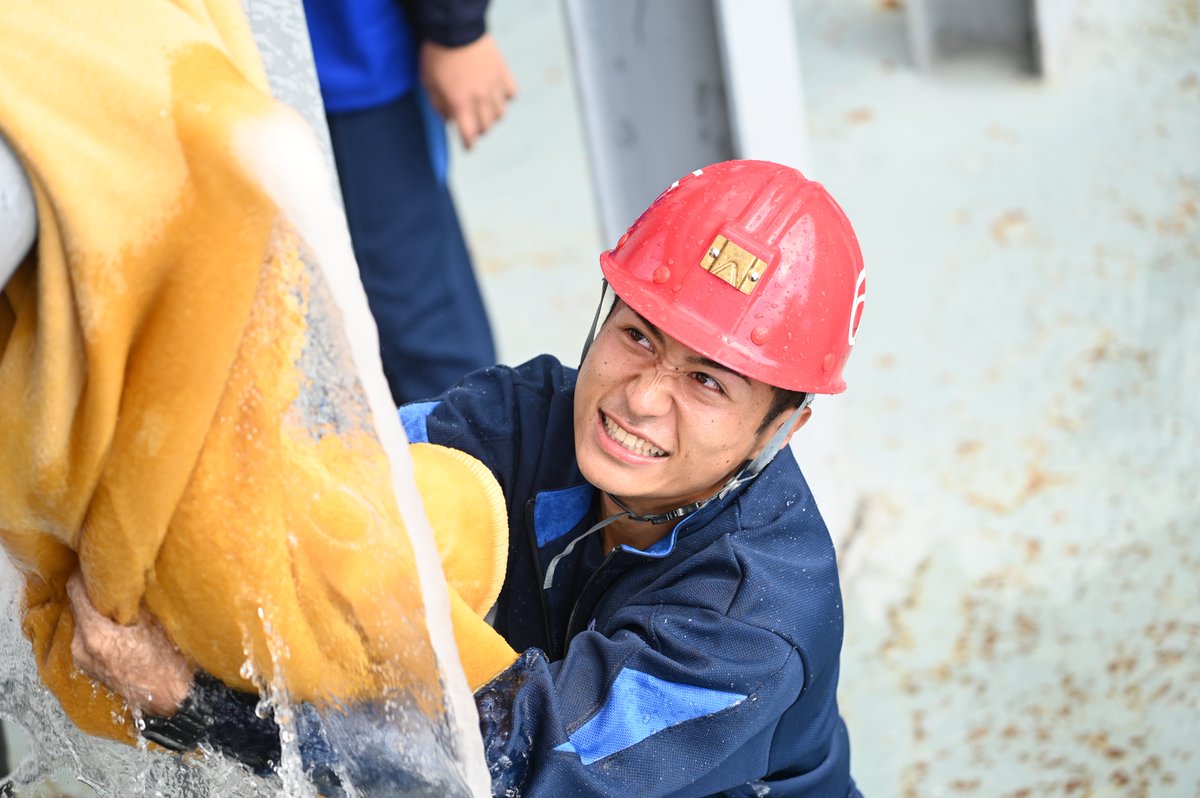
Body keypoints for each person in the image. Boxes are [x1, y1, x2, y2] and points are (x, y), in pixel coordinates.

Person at [70, 160, 868, 797]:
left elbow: (513, 771)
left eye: (708, 383)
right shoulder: (526, 417)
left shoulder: (752, 622)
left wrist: (193, 708)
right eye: (637, 335)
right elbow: (330, 476)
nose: (641, 398)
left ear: (784, 427)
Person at [302, 0, 516, 403]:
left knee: (435, 361)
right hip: (320, 57)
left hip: (343, 57)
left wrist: (457, 29)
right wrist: (457, 28)